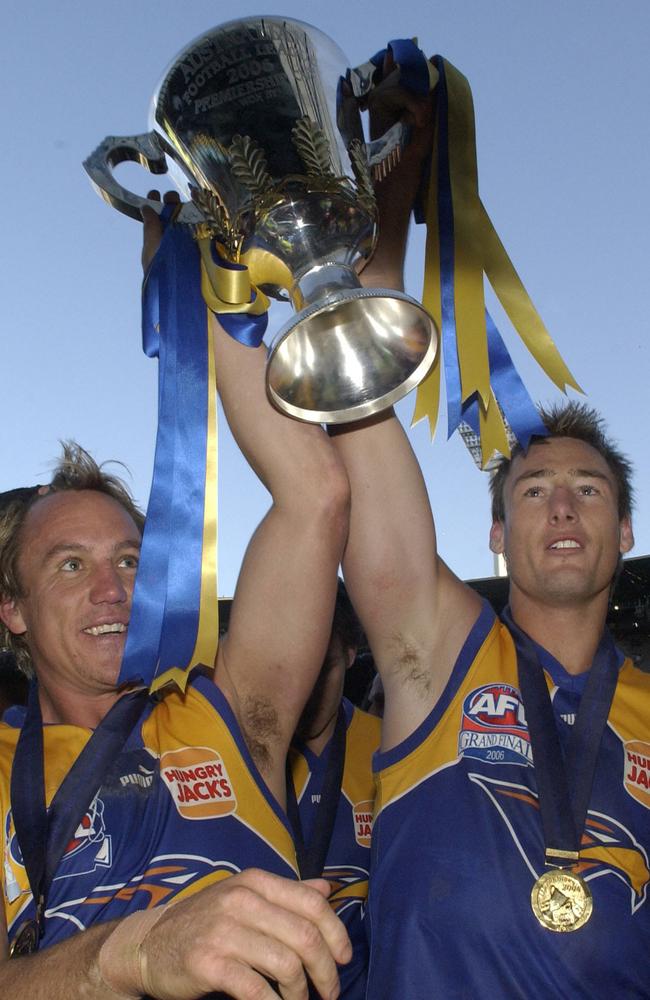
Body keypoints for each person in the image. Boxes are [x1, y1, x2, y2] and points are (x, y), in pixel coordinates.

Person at [329, 91, 650, 997]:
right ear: (499, 536)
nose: (560, 510)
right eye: (535, 492)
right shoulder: (439, 647)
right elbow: (362, 412)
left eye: (588, 492)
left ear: (623, 533)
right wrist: (391, 205)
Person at [0, 194, 352, 997]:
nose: (111, 588)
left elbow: (317, 494)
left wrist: (201, 286)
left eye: (130, 559)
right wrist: (128, 956)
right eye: (68, 566)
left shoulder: (234, 712)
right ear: (12, 610)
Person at [288, 581, 380, 1000]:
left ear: (349, 654)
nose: (302, 689)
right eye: (291, 666)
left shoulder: (392, 750)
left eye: (320, 668)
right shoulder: (240, 749)